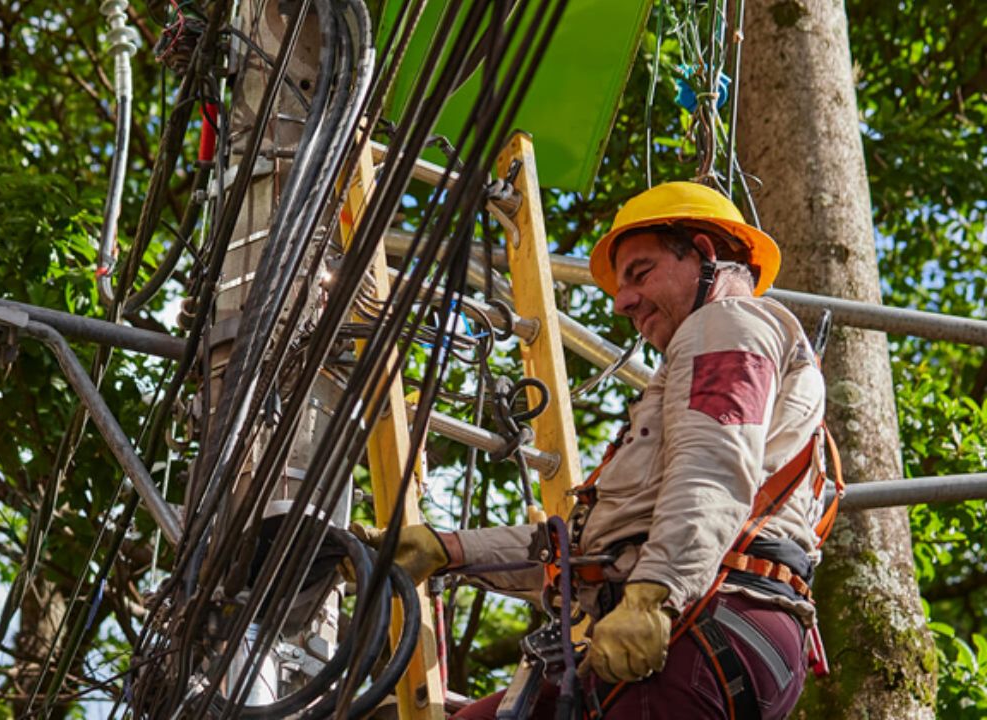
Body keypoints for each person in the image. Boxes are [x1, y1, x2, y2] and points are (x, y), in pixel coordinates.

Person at [356, 182, 832, 719]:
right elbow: (589, 552)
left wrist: (653, 596)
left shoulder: (726, 322)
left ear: (702, 252)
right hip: (709, 630)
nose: (622, 301)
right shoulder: (716, 352)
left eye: (641, 273)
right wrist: (450, 549)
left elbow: (714, 467)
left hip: (702, 622)